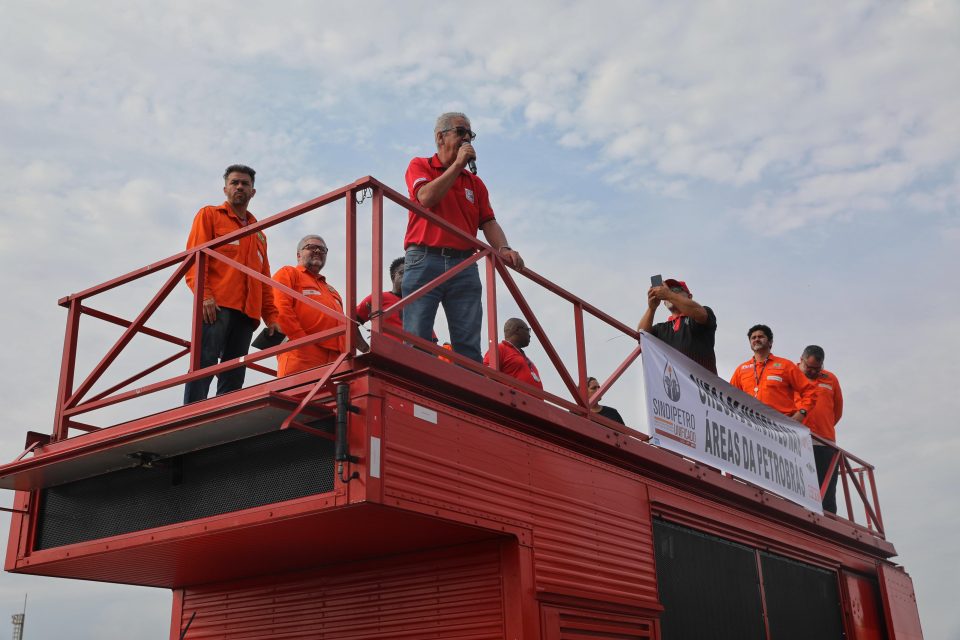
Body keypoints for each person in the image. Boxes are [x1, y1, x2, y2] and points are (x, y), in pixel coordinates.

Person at [402, 111, 524, 362]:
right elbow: (426, 198)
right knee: (416, 338)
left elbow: (488, 221)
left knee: (468, 346)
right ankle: (416, 389)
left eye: (470, 134)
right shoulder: (421, 165)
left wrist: (504, 248)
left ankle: (465, 398)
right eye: (460, 132)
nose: (467, 137)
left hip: (464, 265)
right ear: (440, 137)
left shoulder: (475, 184)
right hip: (425, 258)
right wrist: (458, 165)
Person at [183, 164, 280, 403]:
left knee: (235, 371)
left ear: (253, 192)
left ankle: (222, 413)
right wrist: (204, 296)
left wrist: (272, 318)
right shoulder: (210, 215)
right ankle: (191, 413)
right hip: (217, 306)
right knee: (205, 361)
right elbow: (195, 260)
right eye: (235, 183)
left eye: (245, 184)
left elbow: (264, 280)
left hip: (247, 313)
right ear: (225, 188)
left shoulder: (259, 234)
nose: (239, 187)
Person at [272, 235, 351, 376]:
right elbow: (280, 309)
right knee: (296, 397)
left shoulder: (331, 290)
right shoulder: (289, 273)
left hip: (337, 359)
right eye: (311, 247)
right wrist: (302, 342)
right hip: (302, 354)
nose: (317, 251)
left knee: (330, 399)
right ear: (298, 254)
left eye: (322, 249)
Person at [729, 324, 816, 421]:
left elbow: (810, 391)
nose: (756, 339)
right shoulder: (741, 369)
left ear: (770, 342)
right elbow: (730, 394)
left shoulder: (785, 365)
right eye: (753, 338)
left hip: (780, 426)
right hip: (750, 424)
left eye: (761, 337)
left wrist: (802, 413)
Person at [796, 345, 844, 514]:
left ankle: (827, 530)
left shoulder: (831, 379)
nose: (813, 372)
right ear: (801, 360)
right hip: (797, 441)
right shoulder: (790, 374)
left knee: (827, 496)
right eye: (809, 368)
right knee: (798, 490)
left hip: (825, 443)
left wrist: (824, 425)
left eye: (817, 368)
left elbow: (837, 411)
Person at [637, 278, 717, 375]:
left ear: (689, 296)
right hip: (675, 387)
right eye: (666, 291)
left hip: (701, 387)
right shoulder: (661, 329)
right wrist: (651, 308)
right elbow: (641, 335)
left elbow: (701, 314)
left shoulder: (699, 315)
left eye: (675, 290)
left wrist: (669, 295)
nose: (669, 293)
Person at [483, 318, 542, 389]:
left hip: (533, 399)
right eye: (527, 330)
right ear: (517, 330)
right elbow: (486, 374)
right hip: (511, 399)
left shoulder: (524, 357)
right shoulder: (500, 348)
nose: (529, 335)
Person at [356, 257, 406, 341]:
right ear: (393, 277)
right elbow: (350, 323)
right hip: (387, 352)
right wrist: (365, 348)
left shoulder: (418, 304)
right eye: (402, 272)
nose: (407, 276)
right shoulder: (379, 298)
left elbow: (431, 340)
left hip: (414, 352)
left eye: (411, 274)